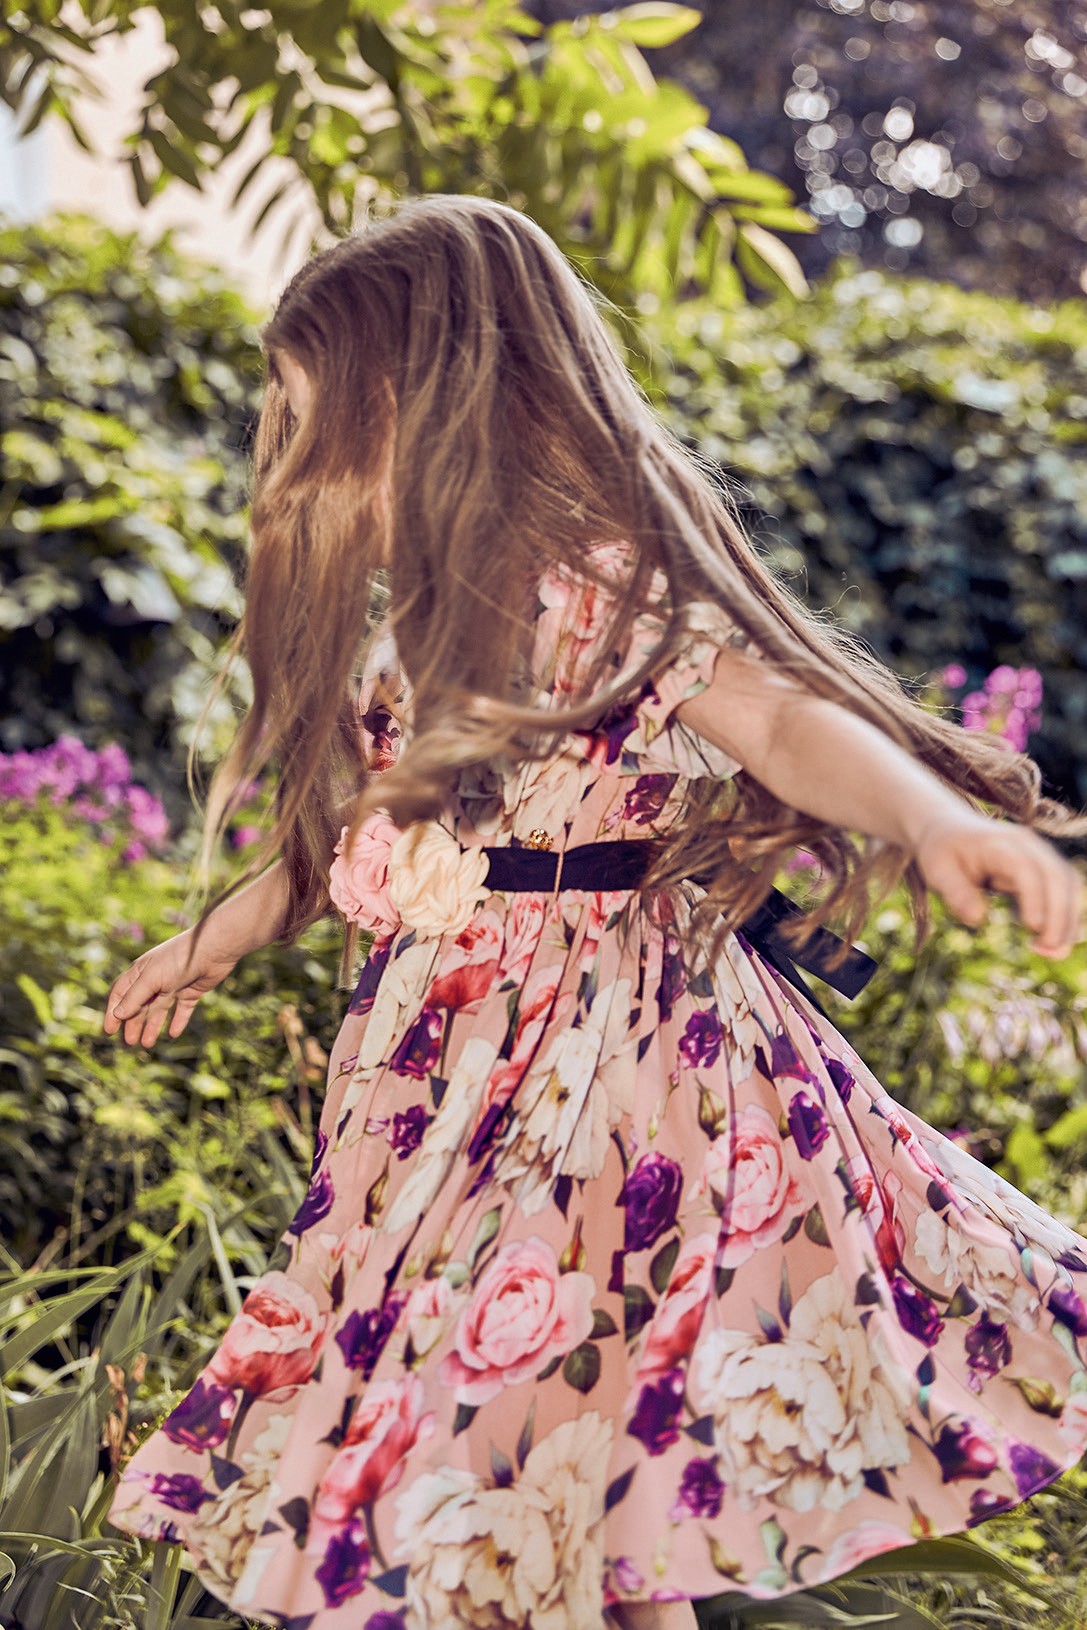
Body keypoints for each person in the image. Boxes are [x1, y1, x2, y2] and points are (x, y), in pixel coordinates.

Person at [102, 194, 1087, 1630]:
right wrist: (213, 939)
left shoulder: (601, 591)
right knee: (543, 1474)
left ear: (425, 406)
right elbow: (358, 847)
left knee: (548, 1439)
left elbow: (780, 719)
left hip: (597, 1081)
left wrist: (934, 817)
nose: (294, 461)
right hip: (440, 1095)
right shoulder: (408, 642)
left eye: (316, 422)